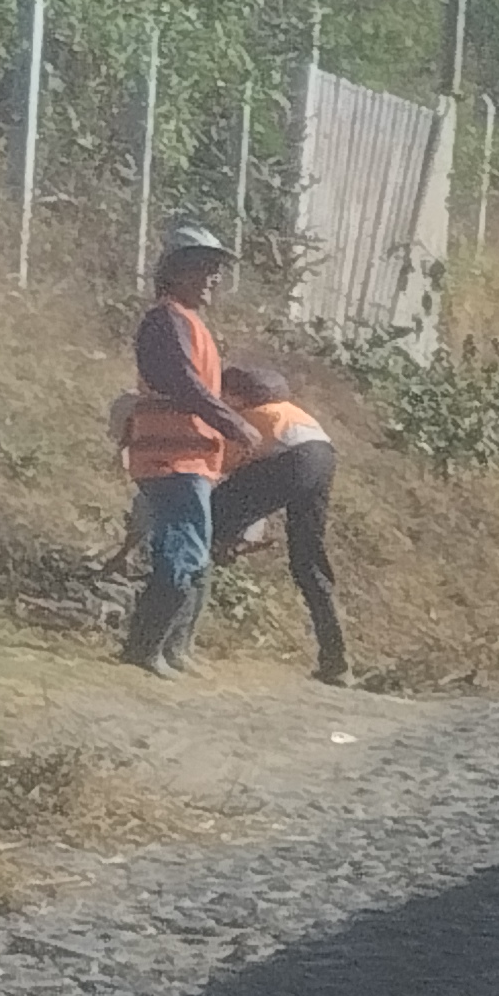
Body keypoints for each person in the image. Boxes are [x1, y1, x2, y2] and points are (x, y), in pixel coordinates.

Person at [120, 223, 258, 677]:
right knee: (181, 555)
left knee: (195, 559)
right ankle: (145, 650)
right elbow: (183, 384)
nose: (214, 278)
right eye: (205, 268)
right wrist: (233, 423)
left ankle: (174, 649)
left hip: (192, 462)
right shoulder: (165, 321)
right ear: (177, 272)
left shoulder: (189, 324)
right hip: (171, 461)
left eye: (216, 269)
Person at [210, 365, 349, 685]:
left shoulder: (249, 418)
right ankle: (336, 661)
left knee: (209, 520)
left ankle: (174, 626)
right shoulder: (288, 412)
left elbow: (222, 468)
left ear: (236, 395)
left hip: (293, 461)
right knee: (308, 560)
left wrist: (224, 528)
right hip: (323, 457)